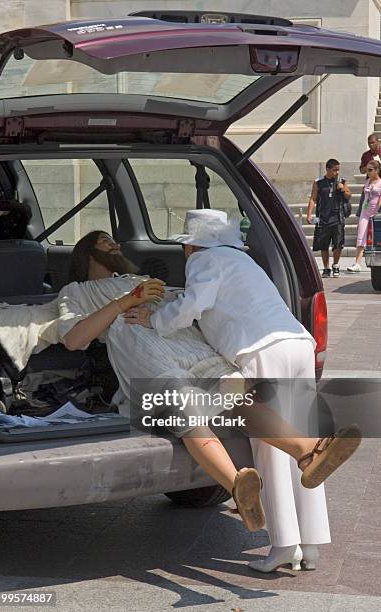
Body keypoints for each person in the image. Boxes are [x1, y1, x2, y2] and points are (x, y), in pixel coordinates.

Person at [123, 211, 360, 572]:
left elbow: (192, 306)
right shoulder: (241, 260)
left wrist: (153, 318)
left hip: (262, 351)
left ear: (191, 244)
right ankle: (311, 546)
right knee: (305, 441)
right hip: (297, 343)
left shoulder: (204, 259)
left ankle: (283, 546)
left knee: (270, 448)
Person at [307, 159, 352, 278]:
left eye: (338, 170)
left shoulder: (341, 181)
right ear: (327, 169)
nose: (337, 172)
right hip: (323, 218)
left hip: (337, 217)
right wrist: (309, 214)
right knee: (324, 245)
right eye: (334, 170)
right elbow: (313, 198)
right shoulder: (318, 182)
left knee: (338, 244)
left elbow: (349, 195)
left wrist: (343, 189)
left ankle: (336, 265)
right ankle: (326, 268)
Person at [347, 160, 381, 273]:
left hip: (374, 213)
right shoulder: (367, 182)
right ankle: (357, 263)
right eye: (367, 170)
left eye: (371, 170)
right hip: (364, 212)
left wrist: (377, 211)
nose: (368, 172)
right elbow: (364, 198)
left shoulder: (380, 183)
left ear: (377, 170)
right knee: (361, 236)